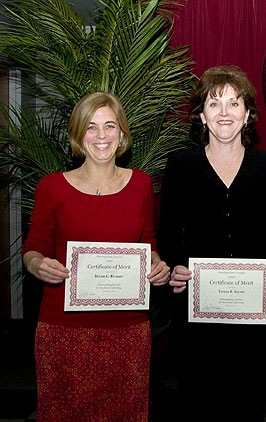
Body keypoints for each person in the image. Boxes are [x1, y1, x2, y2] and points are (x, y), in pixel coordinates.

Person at [21, 91, 170, 421]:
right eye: (91, 127)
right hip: (63, 329)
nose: (101, 136)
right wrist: (36, 264)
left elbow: (148, 244)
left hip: (128, 331)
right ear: (77, 135)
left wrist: (157, 265)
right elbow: (32, 248)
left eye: (109, 126)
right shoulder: (52, 187)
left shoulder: (142, 185)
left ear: (121, 134)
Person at [158, 65, 266, 420]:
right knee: (202, 402)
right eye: (214, 105)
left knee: (250, 401)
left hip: (257, 311)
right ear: (201, 115)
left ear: (248, 114)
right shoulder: (180, 166)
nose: (224, 113)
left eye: (234, 104)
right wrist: (174, 268)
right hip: (198, 311)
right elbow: (167, 231)